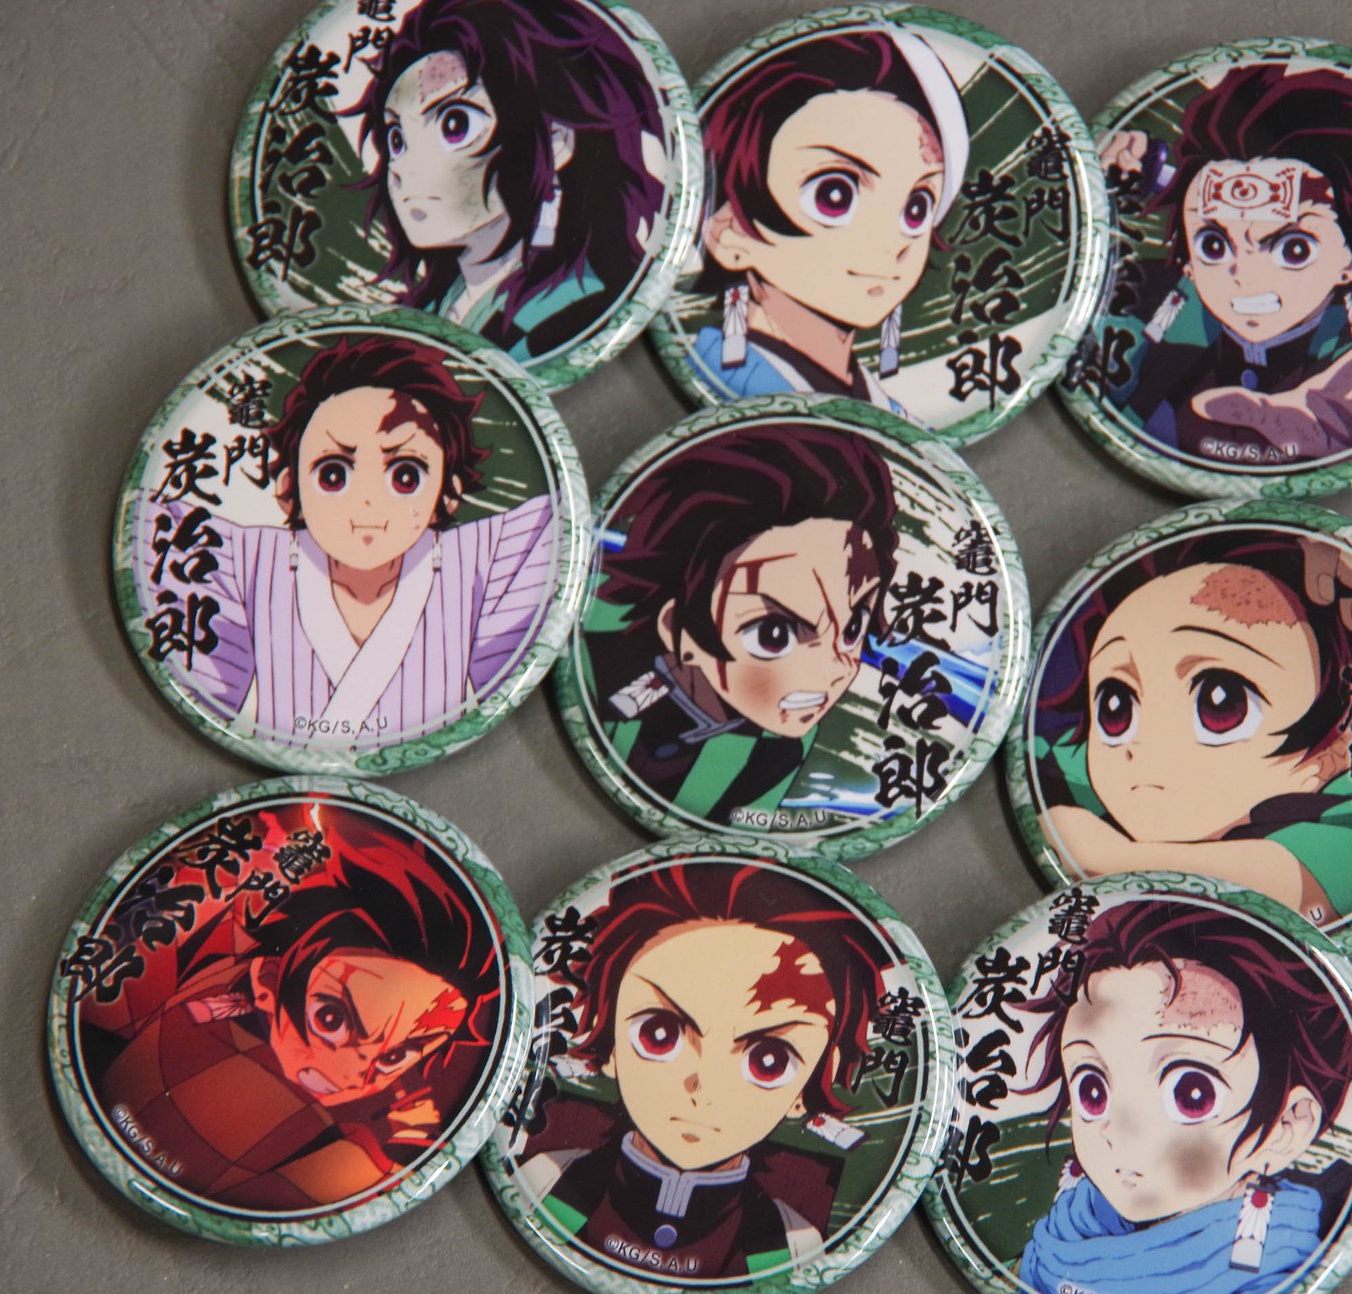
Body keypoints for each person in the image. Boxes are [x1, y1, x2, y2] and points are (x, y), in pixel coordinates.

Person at [142, 334, 555, 748]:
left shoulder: (480, 563)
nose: (368, 501)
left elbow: (557, 520)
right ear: (288, 489)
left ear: (447, 495)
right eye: (333, 474)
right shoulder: (247, 563)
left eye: (405, 476)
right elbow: (155, 523)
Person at [1032, 528, 1352, 926]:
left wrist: (1102, 851)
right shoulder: (1071, 768)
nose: (1144, 743)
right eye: (1115, 707)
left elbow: (1277, 882)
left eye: (1221, 704)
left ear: (1337, 747)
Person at [82, 844, 502, 1213]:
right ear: (267, 982)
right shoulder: (209, 1030)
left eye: (395, 1055)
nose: (350, 1075)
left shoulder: (226, 995)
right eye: (331, 1019)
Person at [515, 860, 886, 1277]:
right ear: (610, 1036)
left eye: (768, 1061)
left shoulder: (788, 1243)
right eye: (659, 1033)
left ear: (811, 1082)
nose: (704, 1088)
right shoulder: (547, 1180)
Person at [1096, 64, 1352, 465]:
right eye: (1214, 246)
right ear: (1187, 260)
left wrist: (1339, 436)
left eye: (1294, 250)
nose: (1245, 276)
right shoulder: (1143, 298)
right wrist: (1088, 187)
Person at [1015, 898, 1352, 1294]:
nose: (1119, 1132)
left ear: (1287, 1127)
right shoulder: (1059, 1242)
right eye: (1092, 1090)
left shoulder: (1273, 1280)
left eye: (1191, 1095)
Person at [583, 422, 899, 822]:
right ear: (676, 626)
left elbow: (736, 831)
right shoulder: (593, 659)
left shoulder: (779, 749)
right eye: (774, 635)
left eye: (852, 630)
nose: (835, 670)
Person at [350, 0, 666, 361]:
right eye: (398, 140)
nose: (404, 169)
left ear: (557, 140)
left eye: (455, 125)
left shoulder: (567, 312)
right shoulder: (437, 305)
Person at [684, 30, 970, 415]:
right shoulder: (720, 375)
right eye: (834, 196)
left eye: (916, 208)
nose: (893, 244)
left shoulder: (891, 415)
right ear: (728, 230)